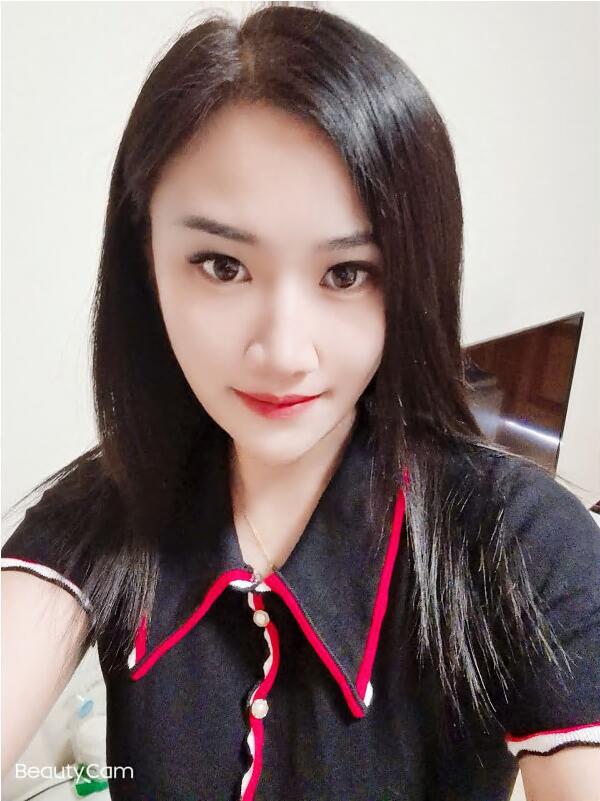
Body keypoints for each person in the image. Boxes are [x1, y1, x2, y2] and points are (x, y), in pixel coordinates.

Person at [2, 3, 599, 800]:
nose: (284, 352)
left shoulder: (520, 541)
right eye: (221, 266)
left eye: (346, 274)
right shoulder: (109, 504)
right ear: (147, 257)